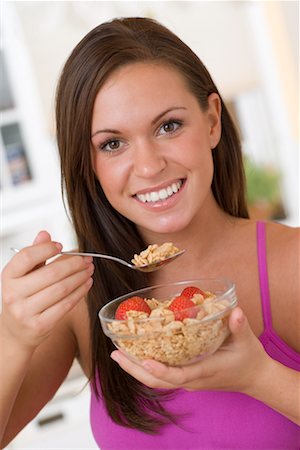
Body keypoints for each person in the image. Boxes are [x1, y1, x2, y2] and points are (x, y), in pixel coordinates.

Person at [1, 17, 299, 449]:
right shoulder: (82, 297)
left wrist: (259, 377)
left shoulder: (288, 262)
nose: (148, 166)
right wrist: (12, 338)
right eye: (112, 144)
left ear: (212, 120)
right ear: (89, 164)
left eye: (168, 126)